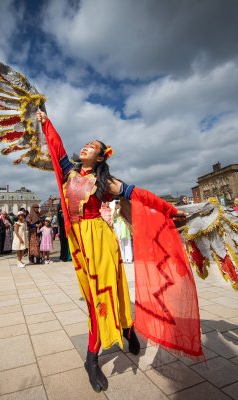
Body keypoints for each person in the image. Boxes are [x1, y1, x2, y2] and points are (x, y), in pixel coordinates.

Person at [38, 110, 193, 392]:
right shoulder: (68, 171)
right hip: (78, 242)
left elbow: (141, 195)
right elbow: (56, 146)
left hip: (100, 238)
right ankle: (125, 329)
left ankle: (93, 357)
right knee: (93, 296)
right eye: (86, 143)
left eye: (93, 146)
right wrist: (45, 120)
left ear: (100, 158)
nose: (86, 146)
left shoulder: (105, 182)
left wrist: (170, 209)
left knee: (109, 292)